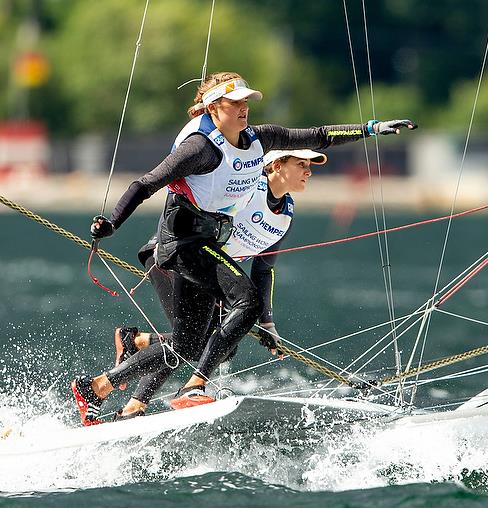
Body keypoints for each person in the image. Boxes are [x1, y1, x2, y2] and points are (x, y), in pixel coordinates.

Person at [70, 71, 416, 426]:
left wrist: (371, 129)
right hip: (181, 242)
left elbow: (320, 135)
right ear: (214, 106)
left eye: (246, 102)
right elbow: (146, 184)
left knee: (188, 345)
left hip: (206, 243)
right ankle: (191, 389)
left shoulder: (260, 140)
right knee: (245, 302)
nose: (244, 108)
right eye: (235, 103)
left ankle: (95, 387)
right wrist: (112, 222)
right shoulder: (200, 149)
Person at [108, 148, 327, 420]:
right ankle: (145, 395)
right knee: (188, 343)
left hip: (207, 273)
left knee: (220, 347)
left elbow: (264, 268)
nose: (308, 171)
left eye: (310, 166)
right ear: (276, 166)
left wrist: (267, 322)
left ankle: (137, 351)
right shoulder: (246, 192)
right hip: (172, 259)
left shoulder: (285, 214)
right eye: (301, 164)